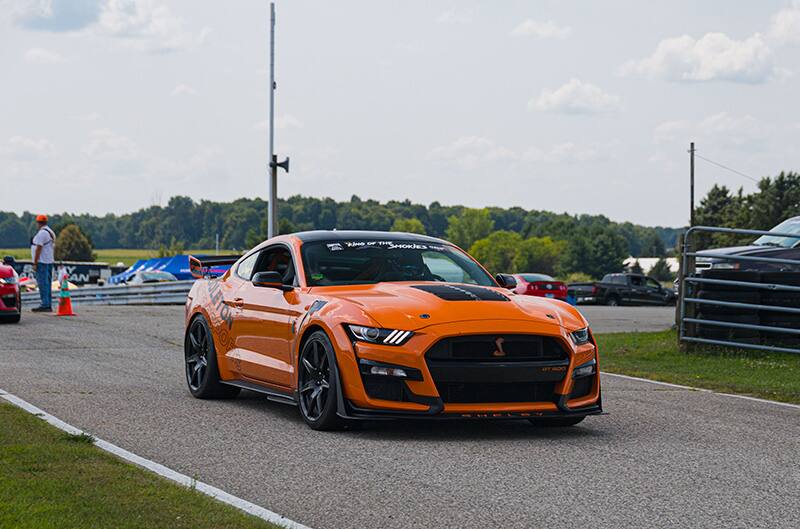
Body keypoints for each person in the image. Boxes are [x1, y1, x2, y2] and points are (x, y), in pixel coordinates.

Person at [31, 214, 56, 312]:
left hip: (42, 262)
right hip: (49, 261)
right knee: (47, 283)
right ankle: (47, 303)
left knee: (42, 284)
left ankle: (45, 304)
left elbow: (38, 248)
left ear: (38, 223)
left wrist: (35, 263)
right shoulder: (50, 232)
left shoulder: (42, 233)